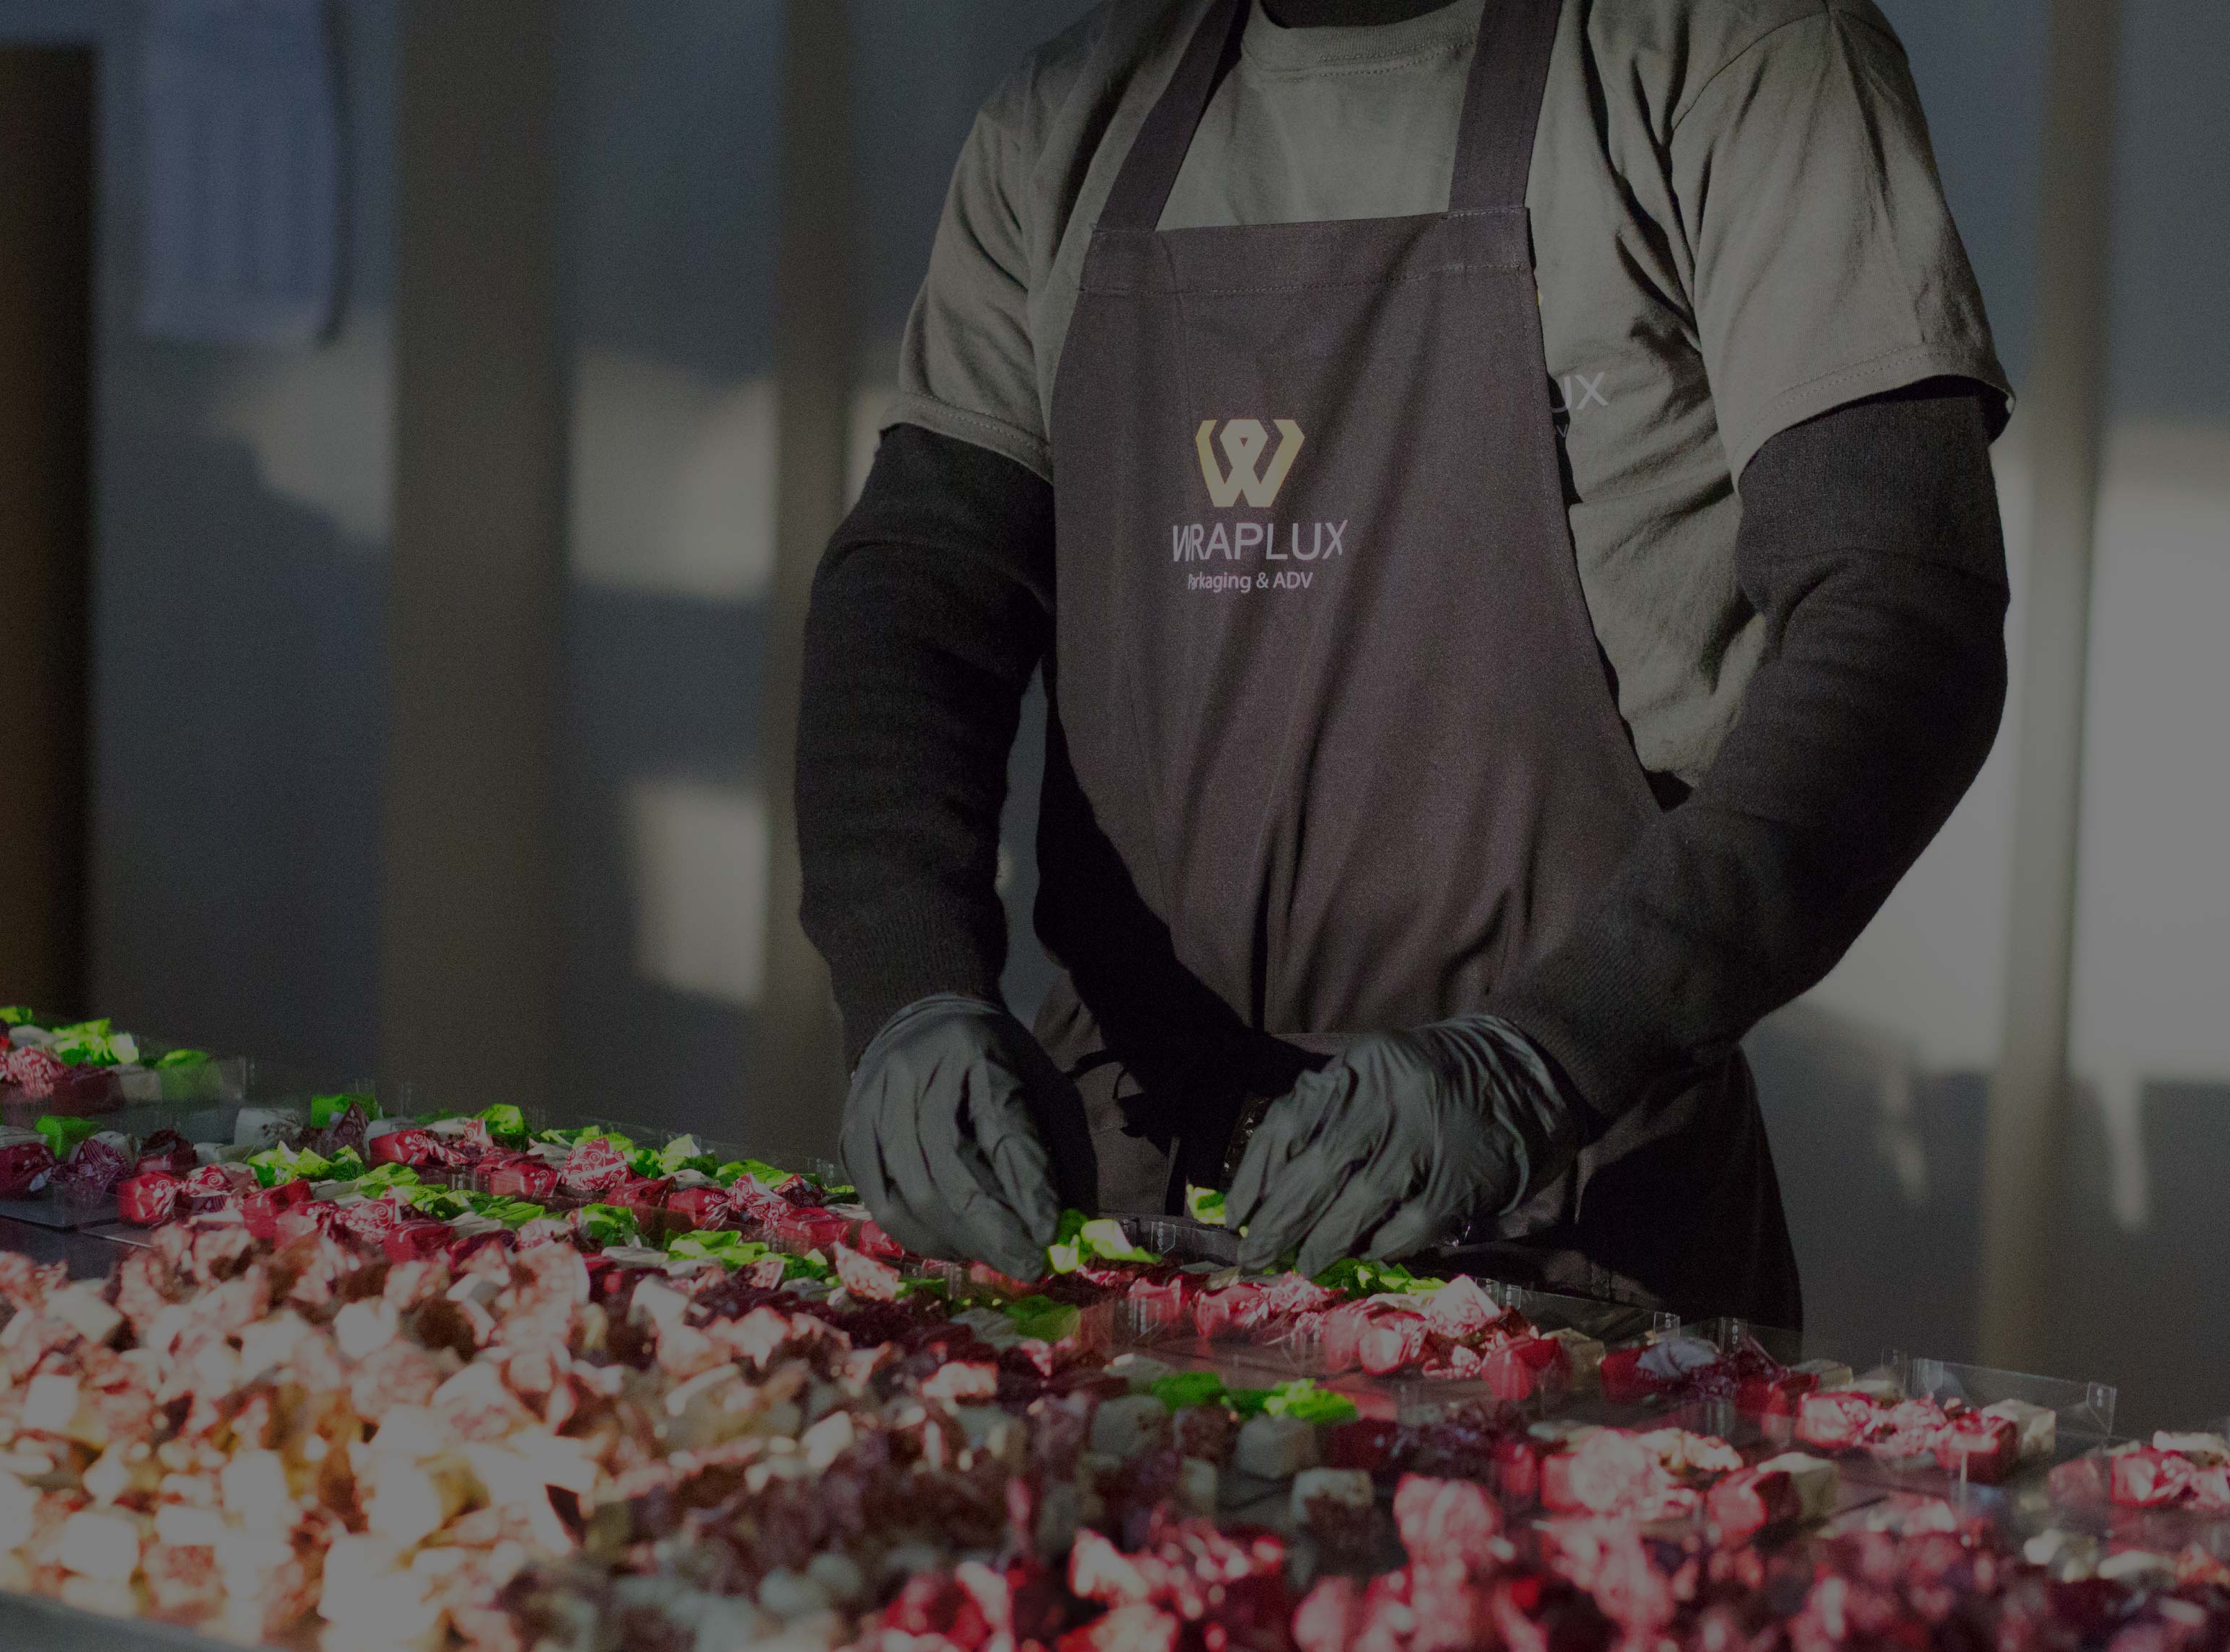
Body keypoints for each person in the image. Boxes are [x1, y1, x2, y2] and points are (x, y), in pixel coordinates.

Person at [796, 0, 2011, 1325]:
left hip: (1564, 1226)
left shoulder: (1726, 56)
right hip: (1108, 1209)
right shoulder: (1063, 123)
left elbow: (1901, 621)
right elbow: (917, 594)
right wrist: (906, 983)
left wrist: (1546, 1056)